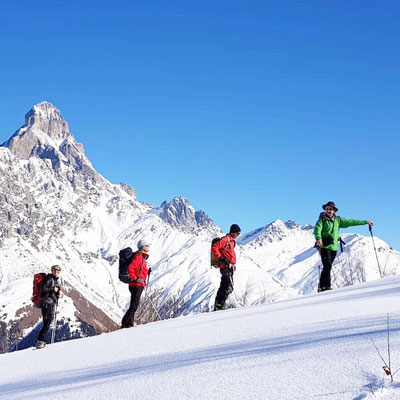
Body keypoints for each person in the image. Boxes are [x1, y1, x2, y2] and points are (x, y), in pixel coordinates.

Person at [314, 201, 373, 292]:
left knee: (328, 266)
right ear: (325, 210)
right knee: (327, 266)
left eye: (331, 209)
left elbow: (351, 222)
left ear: (334, 211)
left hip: (334, 247)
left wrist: (365, 222)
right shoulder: (322, 220)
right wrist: (318, 239)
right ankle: (325, 287)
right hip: (324, 246)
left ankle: (322, 287)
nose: (329, 211)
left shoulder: (338, 220)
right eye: (327, 209)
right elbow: (317, 229)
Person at [121, 239, 150, 328]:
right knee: (134, 306)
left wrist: (147, 271)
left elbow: (138, 270)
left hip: (137, 284)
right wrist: (136, 279)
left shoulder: (141, 257)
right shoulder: (138, 257)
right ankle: (126, 324)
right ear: (143, 247)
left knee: (134, 305)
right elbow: (131, 268)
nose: (149, 247)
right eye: (147, 245)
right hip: (136, 285)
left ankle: (128, 323)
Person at [212, 224, 241, 311]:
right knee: (228, 286)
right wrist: (221, 258)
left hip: (229, 267)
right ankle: (219, 306)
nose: (238, 235)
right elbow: (215, 247)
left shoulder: (231, 241)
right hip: (225, 266)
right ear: (233, 232)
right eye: (238, 233)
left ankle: (219, 305)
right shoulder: (226, 239)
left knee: (224, 286)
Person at [36, 265, 62, 349]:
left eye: (58, 272)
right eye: (55, 271)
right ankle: (40, 342)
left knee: (47, 322)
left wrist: (58, 294)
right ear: (52, 271)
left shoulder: (54, 280)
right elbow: (44, 289)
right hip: (47, 304)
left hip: (50, 304)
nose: (56, 273)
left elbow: (53, 292)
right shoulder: (49, 279)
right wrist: (53, 289)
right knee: (47, 322)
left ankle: (41, 341)